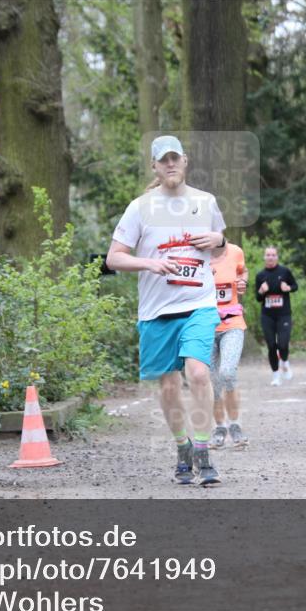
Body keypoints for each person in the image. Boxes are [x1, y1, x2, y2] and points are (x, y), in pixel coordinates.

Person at [106, 135, 226, 486]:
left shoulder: (206, 203)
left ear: (185, 161)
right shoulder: (139, 208)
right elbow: (114, 257)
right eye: (163, 160)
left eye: (176, 158)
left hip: (198, 305)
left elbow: (221, 249)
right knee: (170, 386)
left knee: (199, 374)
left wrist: (219, 241)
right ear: (155, 167)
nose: (170, 164)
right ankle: (183, 448)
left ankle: (203, 452)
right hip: (157, 311)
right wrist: (149, 264)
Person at [209, 242, 250, 450]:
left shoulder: (235, 251)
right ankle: (219, 428)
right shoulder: (193, 254)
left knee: (227, 372)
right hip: (205, 327)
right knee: (213, 382)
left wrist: (242, 281)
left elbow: (243, 271)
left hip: (232, 323)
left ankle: (235, 424)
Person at [255, 245, 298, 386]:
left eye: (273, 255)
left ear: (277, 257)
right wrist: (261, 291)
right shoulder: (260, 276)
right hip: (267, 316)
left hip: (283, 314)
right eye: (268, 255)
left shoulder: (284, 272)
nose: (270, 257)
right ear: (264, 257)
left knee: (283, 343)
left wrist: (288, 288)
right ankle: (275, 376)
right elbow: (258, 298)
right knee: (271, 345)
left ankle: (284, 362)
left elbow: (295, 286)